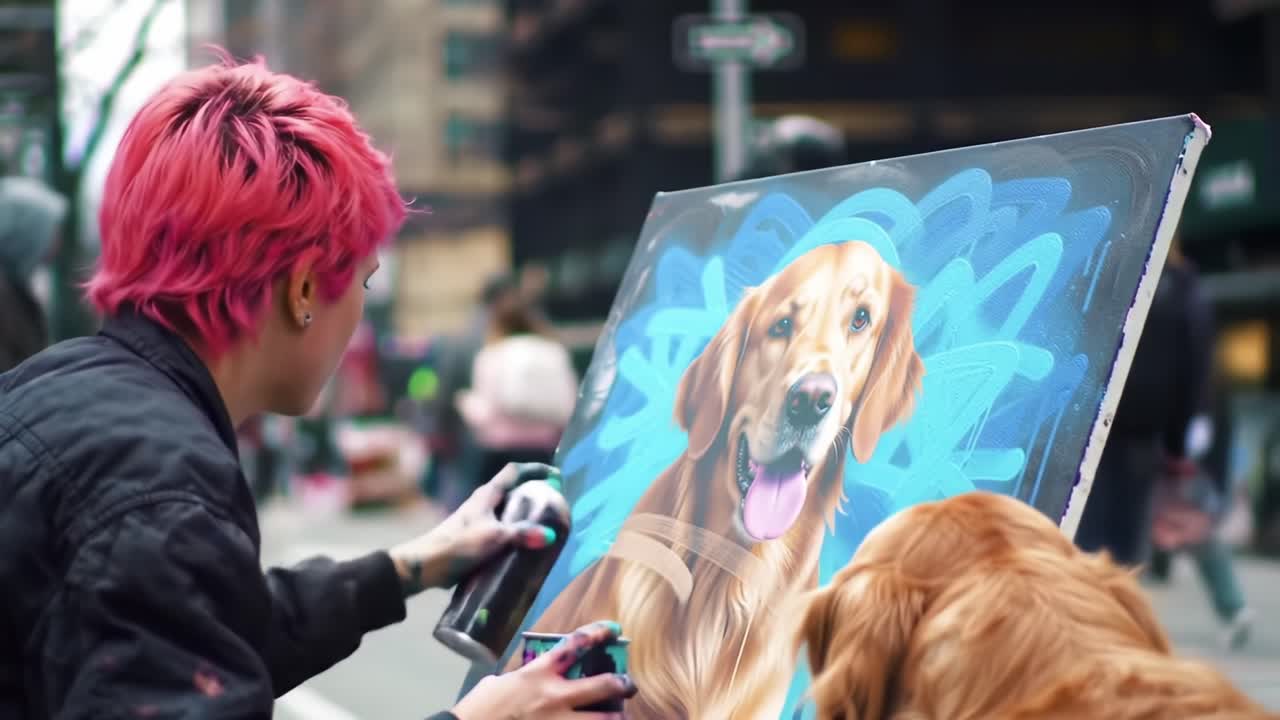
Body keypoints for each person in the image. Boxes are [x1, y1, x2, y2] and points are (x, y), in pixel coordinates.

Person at [0, 56, 635, 719]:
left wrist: (411, 566)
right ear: (304, 289)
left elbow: (201, 634)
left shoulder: (59, 391)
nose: (357, 309)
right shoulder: (161, 486)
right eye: (361, 282)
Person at [1076, 239, 1213, 567]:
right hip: (1144, 430)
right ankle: (1112, 601)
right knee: (1124, 538)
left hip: (1098, 417)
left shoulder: (1112, 272)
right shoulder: (1183, 288)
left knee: (1088, 529)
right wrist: (1178, 442)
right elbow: (1193, 366)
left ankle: (1079, 598)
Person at [456, 275, 577, 486]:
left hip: (500, 455)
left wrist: (465, 404)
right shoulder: (554, 352)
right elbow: (570, 403)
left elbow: (485, 414)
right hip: (544, 451)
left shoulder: (491, 356)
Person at [0, 175, 67, 373]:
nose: (58, 240)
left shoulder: (16, 290)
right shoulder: (5, 298)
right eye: (51, 229)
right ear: (27, 233)